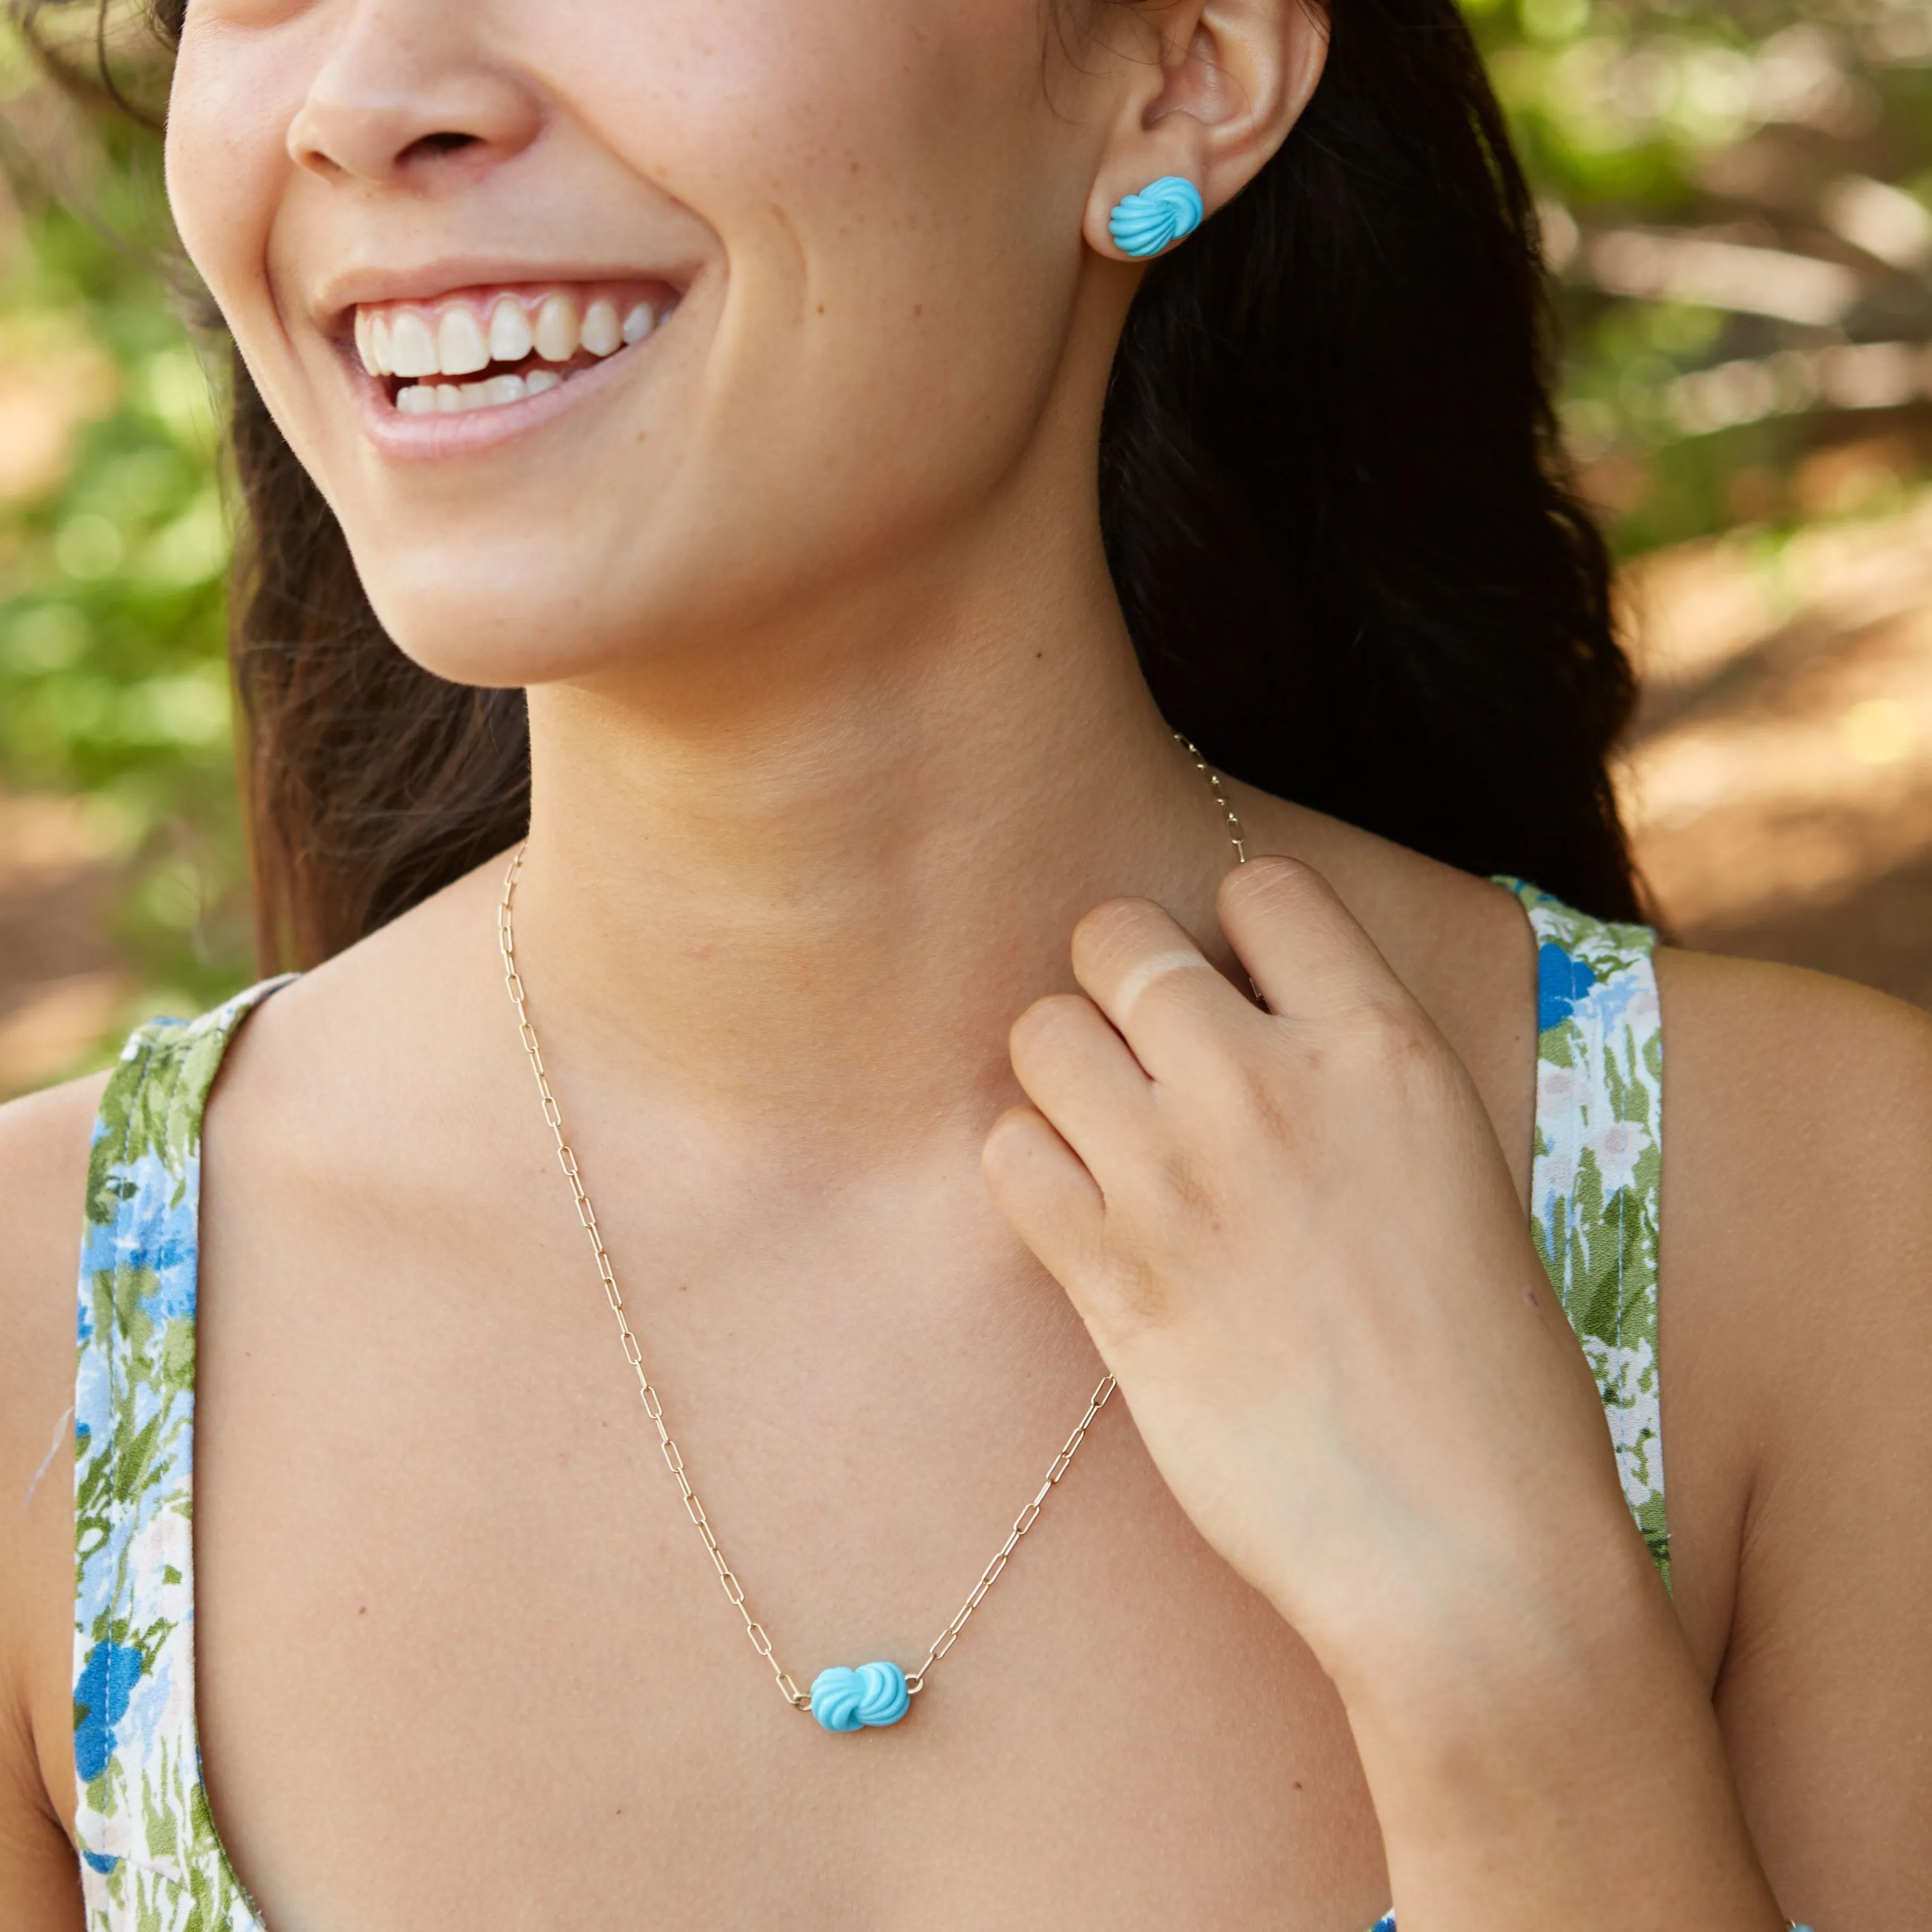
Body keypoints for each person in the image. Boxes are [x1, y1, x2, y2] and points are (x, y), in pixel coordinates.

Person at [1, 0, 1927, 1924]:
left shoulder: (1836, 1234)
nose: (365, 102)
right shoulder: (38, 1344)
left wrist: (1523, 1679)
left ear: (1186, 66)